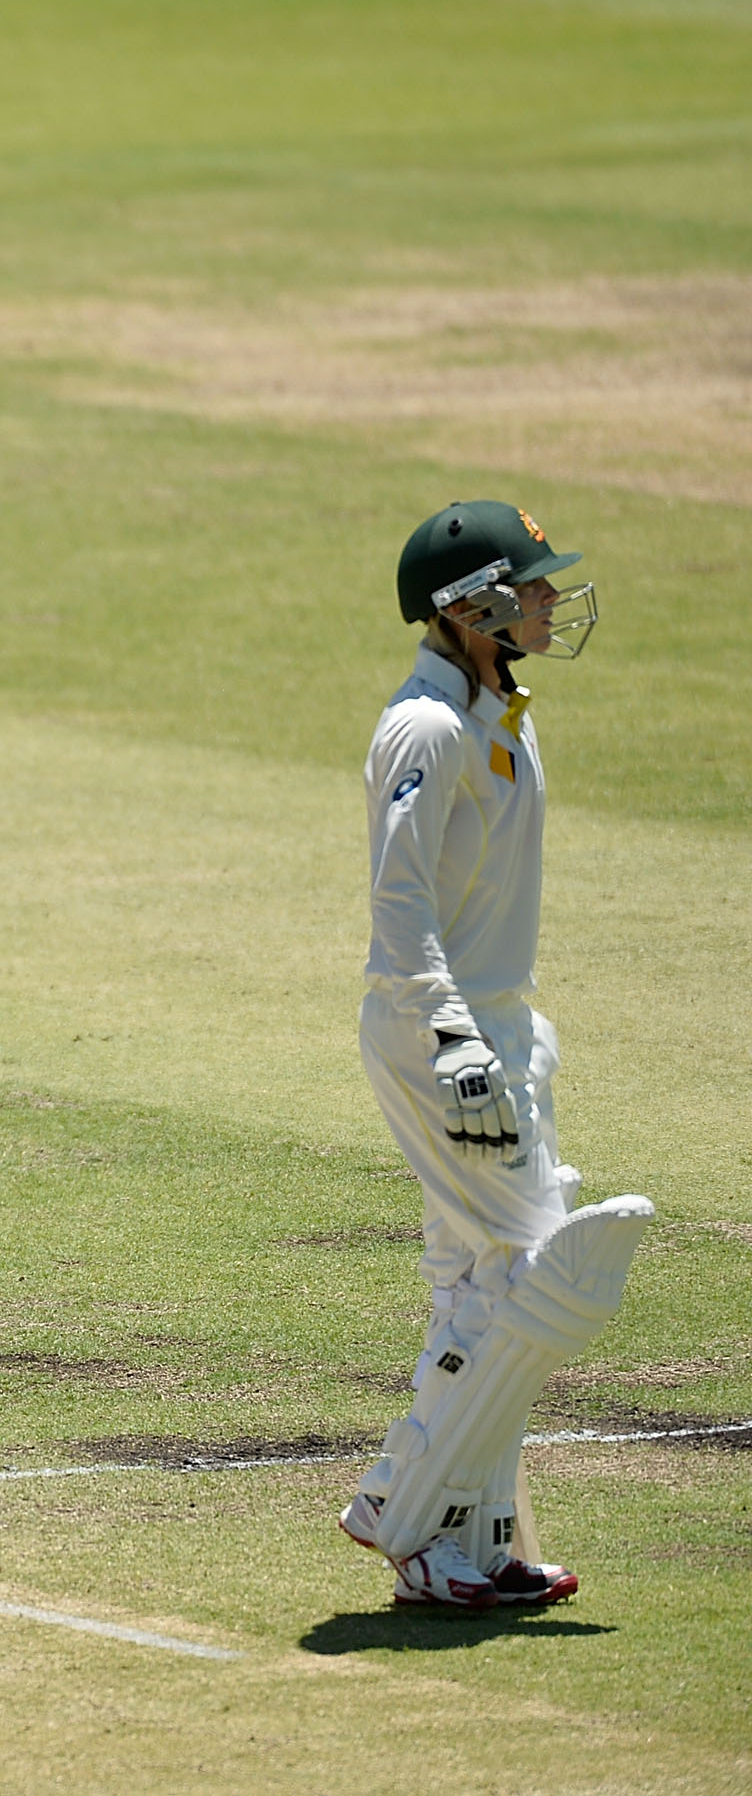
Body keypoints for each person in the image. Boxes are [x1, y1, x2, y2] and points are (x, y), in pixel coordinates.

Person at [338, 501, 649, 1610]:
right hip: (440, 1025)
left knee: (480, 1280)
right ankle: (414, 1521)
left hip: (499, 1021)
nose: (550, 600)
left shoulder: (498, 707)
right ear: (467, 607)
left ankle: (472, 1522)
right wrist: (454, 1036)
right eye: (529, 585)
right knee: (524, 1271)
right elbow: (400, 905)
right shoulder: (425, 727)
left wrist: (504, 1030)